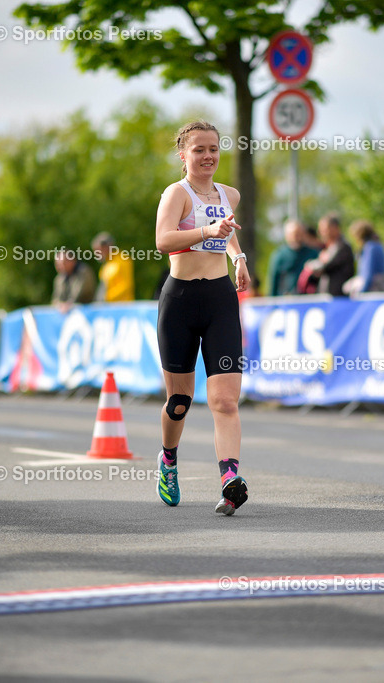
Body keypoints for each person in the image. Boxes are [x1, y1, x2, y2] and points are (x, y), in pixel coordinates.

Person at [154, 120, 251, 516]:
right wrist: (205, 228)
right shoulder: (176, 194)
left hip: (219, 299)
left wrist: (238, 257)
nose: (208, 156)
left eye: (213, 149)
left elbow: (226, 231)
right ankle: (168, 459)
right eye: (199, 150)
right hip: (179, 300)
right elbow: (162, 241)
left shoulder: (230, 193)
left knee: (225, 400)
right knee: (179, 401)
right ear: (184, 155)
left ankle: (230, 480)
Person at [307, 213, 355, 297]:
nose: (321, 233)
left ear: (335, 228)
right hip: (327, 297)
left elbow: (328, 267)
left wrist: (315, 265)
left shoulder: (343, 247)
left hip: (339, 298)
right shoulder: (327, 248)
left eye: (325, 229)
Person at [267, 220, 318, 296]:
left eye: (299, 234)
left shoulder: (313, 254)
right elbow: (274, 280)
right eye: (293, 234)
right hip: (285, 300)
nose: (296, 237)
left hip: (307, 300)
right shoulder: (280, 255)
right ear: (287, 235)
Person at [346, 220, 384, 294]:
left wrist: (361, 292)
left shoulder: (370, 248)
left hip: (374, 289)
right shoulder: (378, 244)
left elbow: (368, 273)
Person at [92, 233, 135, 302]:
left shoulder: (122, 259)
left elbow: (126, 285)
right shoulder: (107, 263)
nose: (96, 254)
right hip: (109, 306)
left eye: (98, 250)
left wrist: (106, 297)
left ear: (106, 247)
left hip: (122, 306)